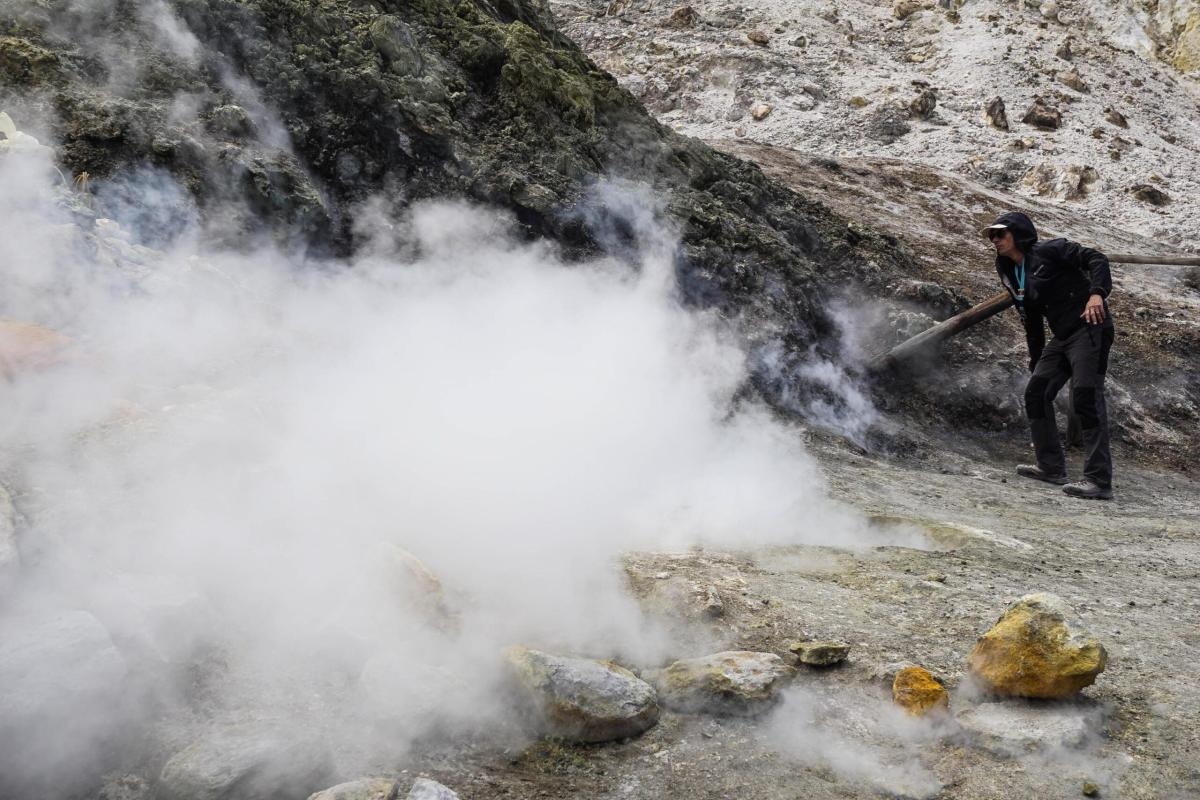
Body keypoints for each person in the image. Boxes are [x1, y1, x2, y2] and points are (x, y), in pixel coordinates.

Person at [982, 211, 1115, 500]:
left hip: (1090, 326)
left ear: (1018, 234)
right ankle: (1051, 467)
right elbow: (1028, 315)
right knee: (1036, 392)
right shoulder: (1006, 267)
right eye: (991, 235)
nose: (994, 240)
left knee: (1086, 397)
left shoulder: (1050, 250)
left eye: (1000, 234)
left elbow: (1097, 259)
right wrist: (1036, 359)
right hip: (1063, 336)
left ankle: (1099, 481)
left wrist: (1097, 294)